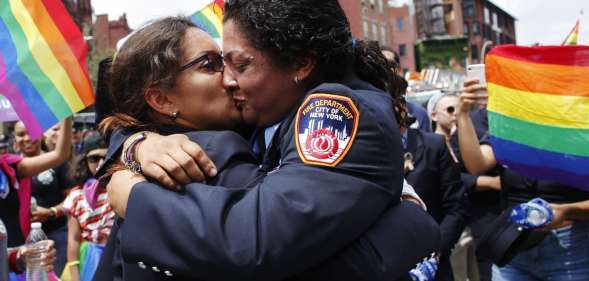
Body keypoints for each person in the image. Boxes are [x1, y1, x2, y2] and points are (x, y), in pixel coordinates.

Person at [98, 3, 438, 280]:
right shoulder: (205, 146)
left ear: (301, 62)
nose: (229, 80)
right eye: (212, 64)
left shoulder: (329, 108)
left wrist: (134, 193)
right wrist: (135, 144)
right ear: (161, 101)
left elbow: (256, 240)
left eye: (237, 63)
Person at [458, 79, 589, 281]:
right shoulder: (512, 129)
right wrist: (463, 114)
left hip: (570, 251)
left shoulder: (580, 132)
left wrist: (566, 211)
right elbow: (477, 164)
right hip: (513, 245)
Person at [12, 120, 73, 274]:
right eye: (20, 134)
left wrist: (51, 211)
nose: (26, 138)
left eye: (30, 132)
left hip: (57, 236)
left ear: (40, 135)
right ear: (14, 139)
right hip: (22, 242)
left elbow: (73, 199)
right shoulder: (9, 169)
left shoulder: (58, 164)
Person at [62, 135, 113, 281]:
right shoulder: (77, 196)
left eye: (107, 156)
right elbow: (73, 239)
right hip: (90, 258)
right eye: (94, 158)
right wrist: (74, 275)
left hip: (118, 255)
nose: (101, 163)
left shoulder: (124, 189)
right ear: (85, 161)